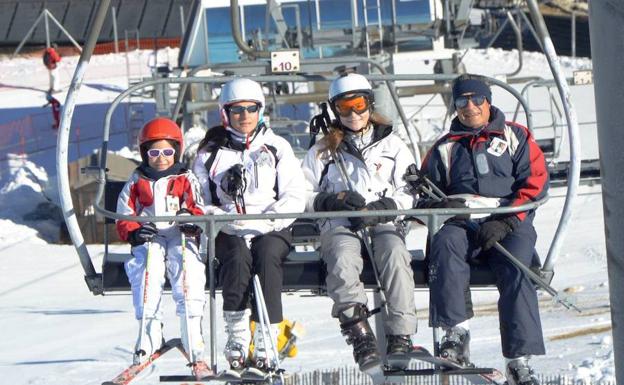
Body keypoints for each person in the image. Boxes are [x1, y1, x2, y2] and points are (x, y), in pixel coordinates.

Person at [406, 74, 548, 385]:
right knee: (444, 244)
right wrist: (425, 199)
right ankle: (455, 334)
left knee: (516, 267)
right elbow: (429, 196)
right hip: (462, 219)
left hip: (509, 219)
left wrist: (507, 220)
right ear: (455, 107)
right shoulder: (445, 148)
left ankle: (518, 360)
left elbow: (536, 182)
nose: (470, 106)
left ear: (488, 101)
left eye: (476, 99)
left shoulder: (515, 137)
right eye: (462, 101)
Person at [302, 73, 418, 372]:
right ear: (334, 110)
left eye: (359, 105)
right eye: (344, 107)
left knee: (394, 255)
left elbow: (411, 189)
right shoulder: (323, 151)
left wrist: (387, 206)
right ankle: (359, 333)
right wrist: (330, 201)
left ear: (370, 104)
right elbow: (301, 192)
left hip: (383, 221)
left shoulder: (393, 146)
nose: (353, 114)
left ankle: (400, 334)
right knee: (342, 259)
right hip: (341, 222)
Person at [192, 78, 306, 374]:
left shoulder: (276, 147)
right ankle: (238, 340)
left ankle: (267, 341)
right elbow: (197, 200)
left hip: (272, 227)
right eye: (237, 110)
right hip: (229, 229)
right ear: (225, 113)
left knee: (267, 256)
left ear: (261, 110)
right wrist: (222, 217)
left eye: (251, 109)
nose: (245, 116)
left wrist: (270, 219)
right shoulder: (209, 154)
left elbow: (295, 194)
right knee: (236, 257)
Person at [116, 117, 211, 380]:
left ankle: (193, 338)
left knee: (187, 268)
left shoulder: (185, 179)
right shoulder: (136, 182)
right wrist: (135, 232)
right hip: (150, 235)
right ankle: (149, 334)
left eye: (167, 152)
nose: (161, 158)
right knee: (148, 266)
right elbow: (124, 215)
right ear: (144, 153)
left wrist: (192, 223)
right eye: (154, 152)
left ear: (176, 152)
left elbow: (199, 208)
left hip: (179, 235)